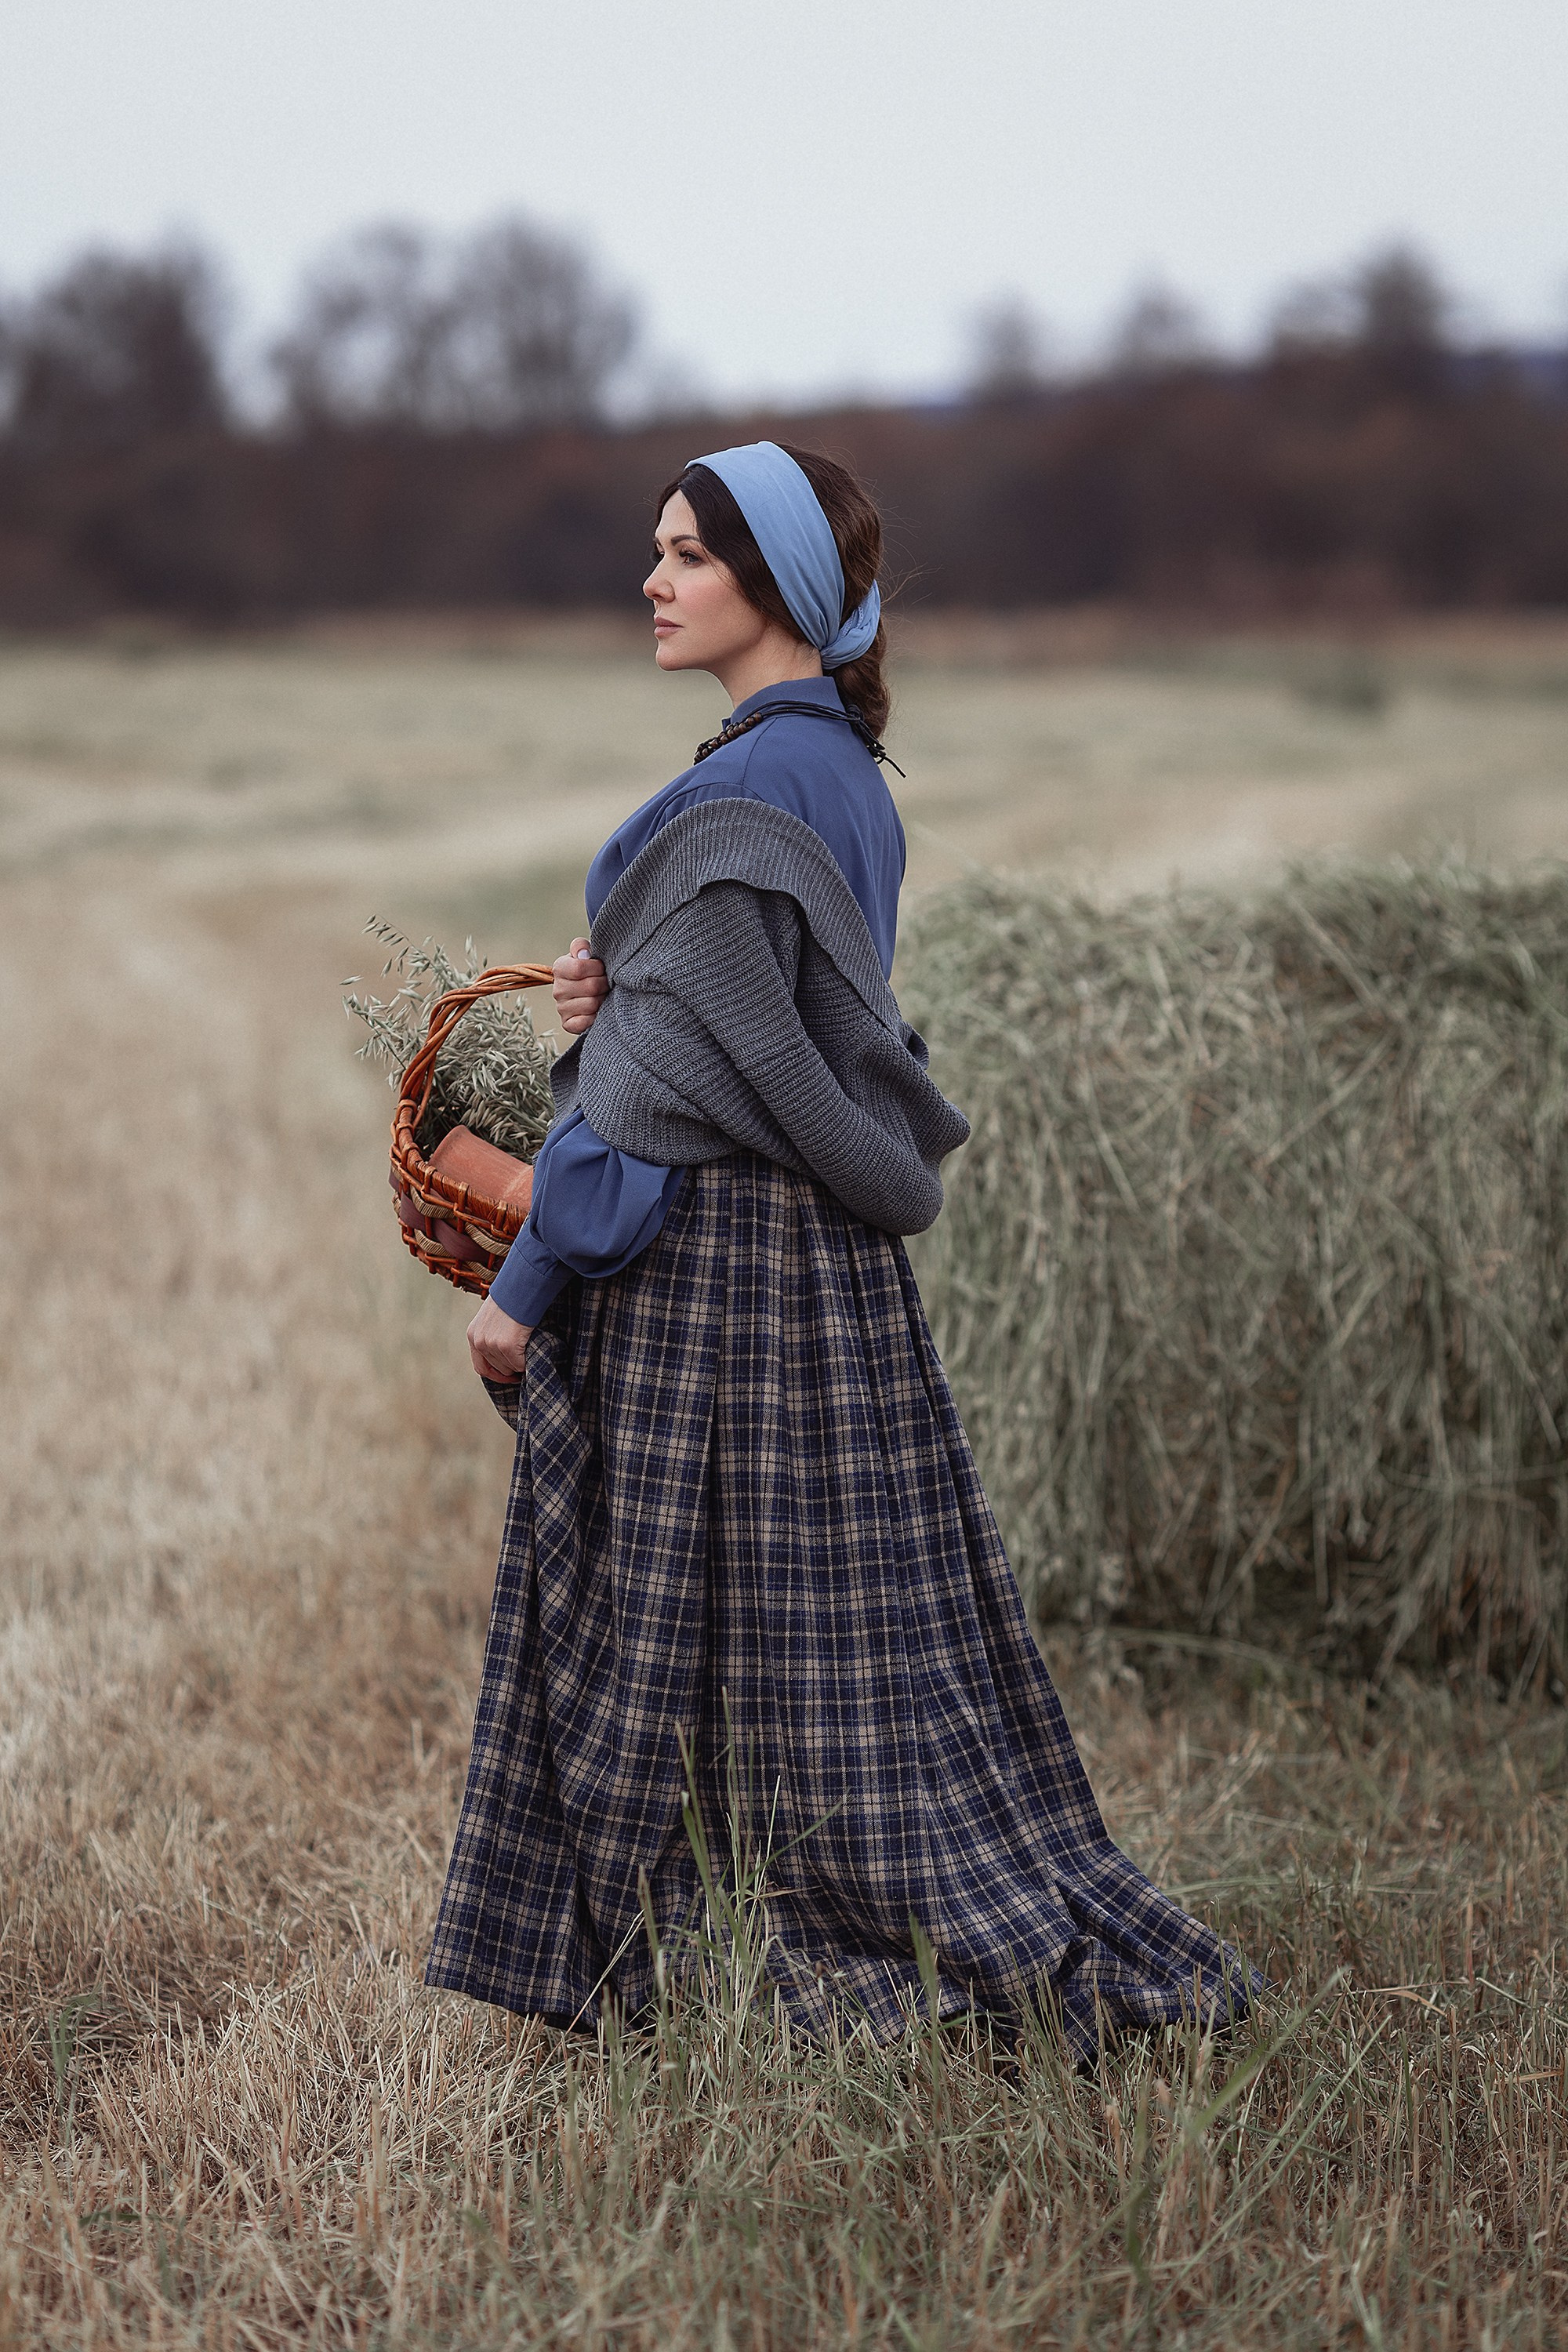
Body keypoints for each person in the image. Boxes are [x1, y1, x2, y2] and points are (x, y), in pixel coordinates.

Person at [426, 441, 1258, 2059]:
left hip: (706, 1273)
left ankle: (732, 1960)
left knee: (671, 1648)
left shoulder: (736, 793)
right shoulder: (842, 785)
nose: (652, 581)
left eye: (684, 554)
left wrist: (521, 1288)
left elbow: (660, 1110)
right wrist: (618, 1010)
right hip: (828, 1279)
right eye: (655, 552)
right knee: (834, 1652)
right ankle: (804, 1929)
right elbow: (767, 1035)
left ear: (778, 585)